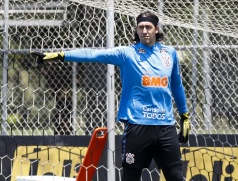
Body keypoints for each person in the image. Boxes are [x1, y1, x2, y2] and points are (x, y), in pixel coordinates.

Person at [31, 11, 190, 181]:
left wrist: (184, 115)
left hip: (166, 127)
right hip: (138, 126)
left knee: (176, 176)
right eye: (141, 27)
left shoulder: (170, 54)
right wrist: (61, 55)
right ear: (136, 30)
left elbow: (176, 86)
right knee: (130, 177)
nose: (144, 31)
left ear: (156, 29)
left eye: (148, 27)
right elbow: (92, 54)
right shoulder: (127, 53)